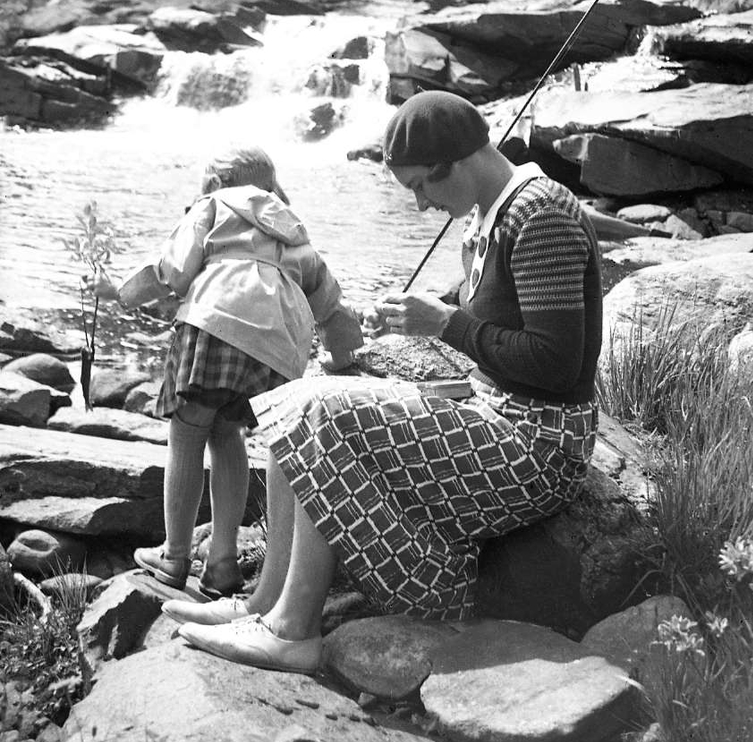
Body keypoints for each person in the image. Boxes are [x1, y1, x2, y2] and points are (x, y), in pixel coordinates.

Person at [163, 92, 602, 675]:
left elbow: (556, 364)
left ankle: (294, 630)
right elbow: (498, 312)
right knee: (293, 397)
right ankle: (264, 603)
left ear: (459, 162)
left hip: (539, 445)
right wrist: (422, 313)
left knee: (327, 412)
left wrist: (447, 324)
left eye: (422, 186)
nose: (420, 205)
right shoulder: (489, 213)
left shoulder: (540, 214)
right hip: (497, 412)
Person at [101, 144, 363, 600]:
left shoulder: (213, 205)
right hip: (277, 350)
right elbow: (330, 306)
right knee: (228, 433)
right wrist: (345, 362)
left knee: (187, 432)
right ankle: (222, 561)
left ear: (218, 183)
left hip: (217, 323)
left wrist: (123, 292)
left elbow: (176, 270)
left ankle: (175, 555)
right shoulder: (296, 232)